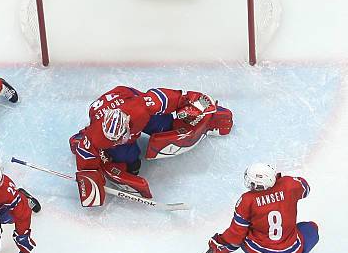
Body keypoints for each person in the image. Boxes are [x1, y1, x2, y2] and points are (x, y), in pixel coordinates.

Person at [70, 85, 233, 206]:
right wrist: (91, 180)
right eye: (114, 139)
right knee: (129, 160)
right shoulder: (96, 136)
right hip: (100, 110)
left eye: (120, 137)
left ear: (127, 124)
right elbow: (85, 159)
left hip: (124, 95)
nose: (117, 141)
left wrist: (193, 103)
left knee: (164, 124)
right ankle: (81, 134)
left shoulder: (141, 108)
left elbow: (171, 97)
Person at [207, 163, 319, 253]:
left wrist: (219, 242)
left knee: (241, 232)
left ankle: (219, 248)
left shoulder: (246, 200)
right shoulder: (288, 185)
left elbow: (235, 236)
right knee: (312, 227)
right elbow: (305, 188)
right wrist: (282, 184)